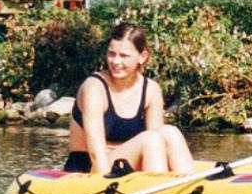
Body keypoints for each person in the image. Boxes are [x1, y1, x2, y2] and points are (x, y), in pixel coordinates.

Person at [65, 21, 195, 175]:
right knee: (150, 141)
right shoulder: (94, 88)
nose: (115, 62)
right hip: (89, 168)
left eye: (124, 56)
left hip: (126, 166)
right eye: (111, 54)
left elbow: (160, 143)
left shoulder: (151, 90)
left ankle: (188, 188)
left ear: (142, 57)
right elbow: (96, 154)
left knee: (170, 133)